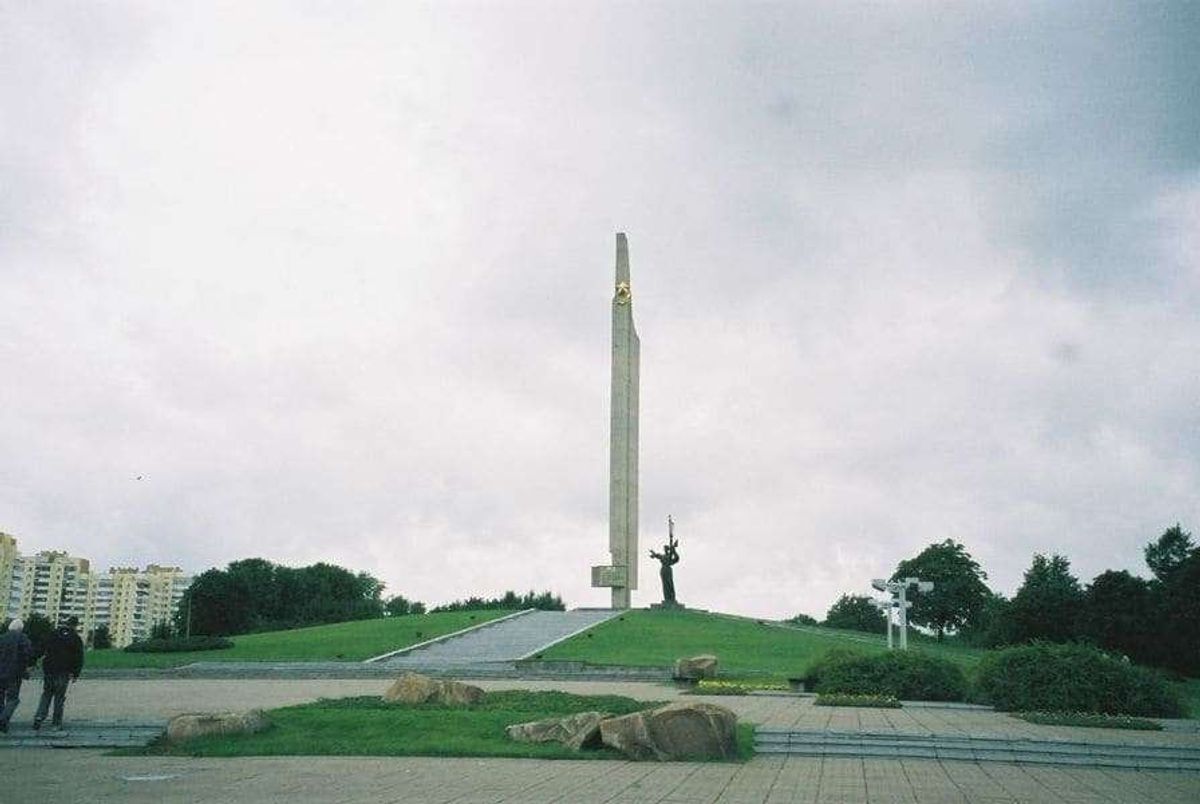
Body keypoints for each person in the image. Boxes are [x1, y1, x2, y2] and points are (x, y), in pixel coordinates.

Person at [33, 616, 84, 731]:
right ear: (75, 625)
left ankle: (39, 716)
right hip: (64, 671)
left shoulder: (53, 634)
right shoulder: (75, 638)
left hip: (49, 669)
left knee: (46, 694)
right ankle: (56, 723)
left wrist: (34, 660)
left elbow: (41, 648)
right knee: (59, 697)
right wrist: (75, 673)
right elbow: (78, 657)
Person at [0, 618, 35, 734]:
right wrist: (28, 666)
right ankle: (3, 719)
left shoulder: (2, 638)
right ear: (20, 629)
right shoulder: (23, 638)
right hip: (14, 673)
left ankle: (3, 722)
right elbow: (29, 653)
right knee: (13, 699)